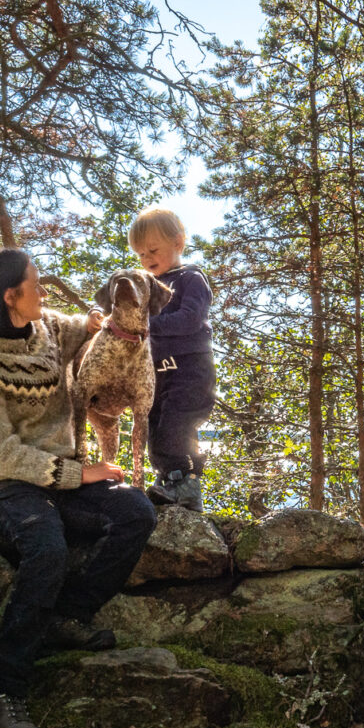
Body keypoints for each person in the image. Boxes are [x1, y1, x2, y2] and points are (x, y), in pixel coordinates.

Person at [0, 249, 157, 728]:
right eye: (35, 285)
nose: (44, 292)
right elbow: (2, 453)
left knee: (136, 513)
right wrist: (76, 475)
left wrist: (94, 324)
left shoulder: (46, 330)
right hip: (5, 484)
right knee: (46, 545)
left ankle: (70, 615)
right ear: (10, 297)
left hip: (63, 474)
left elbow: (86, 328)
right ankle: (3, 690)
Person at [128, 206, 216, 513]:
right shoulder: (145, 288)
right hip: (159, 376)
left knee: (176, 427)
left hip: (191, 373)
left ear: (178, 242)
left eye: (153, 249)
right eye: (140, 254)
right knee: (153, 427)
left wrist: (150, 326)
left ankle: (185, 482)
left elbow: (190, 319)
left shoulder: (190, 279)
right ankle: (173, 484)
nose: (147, 258)